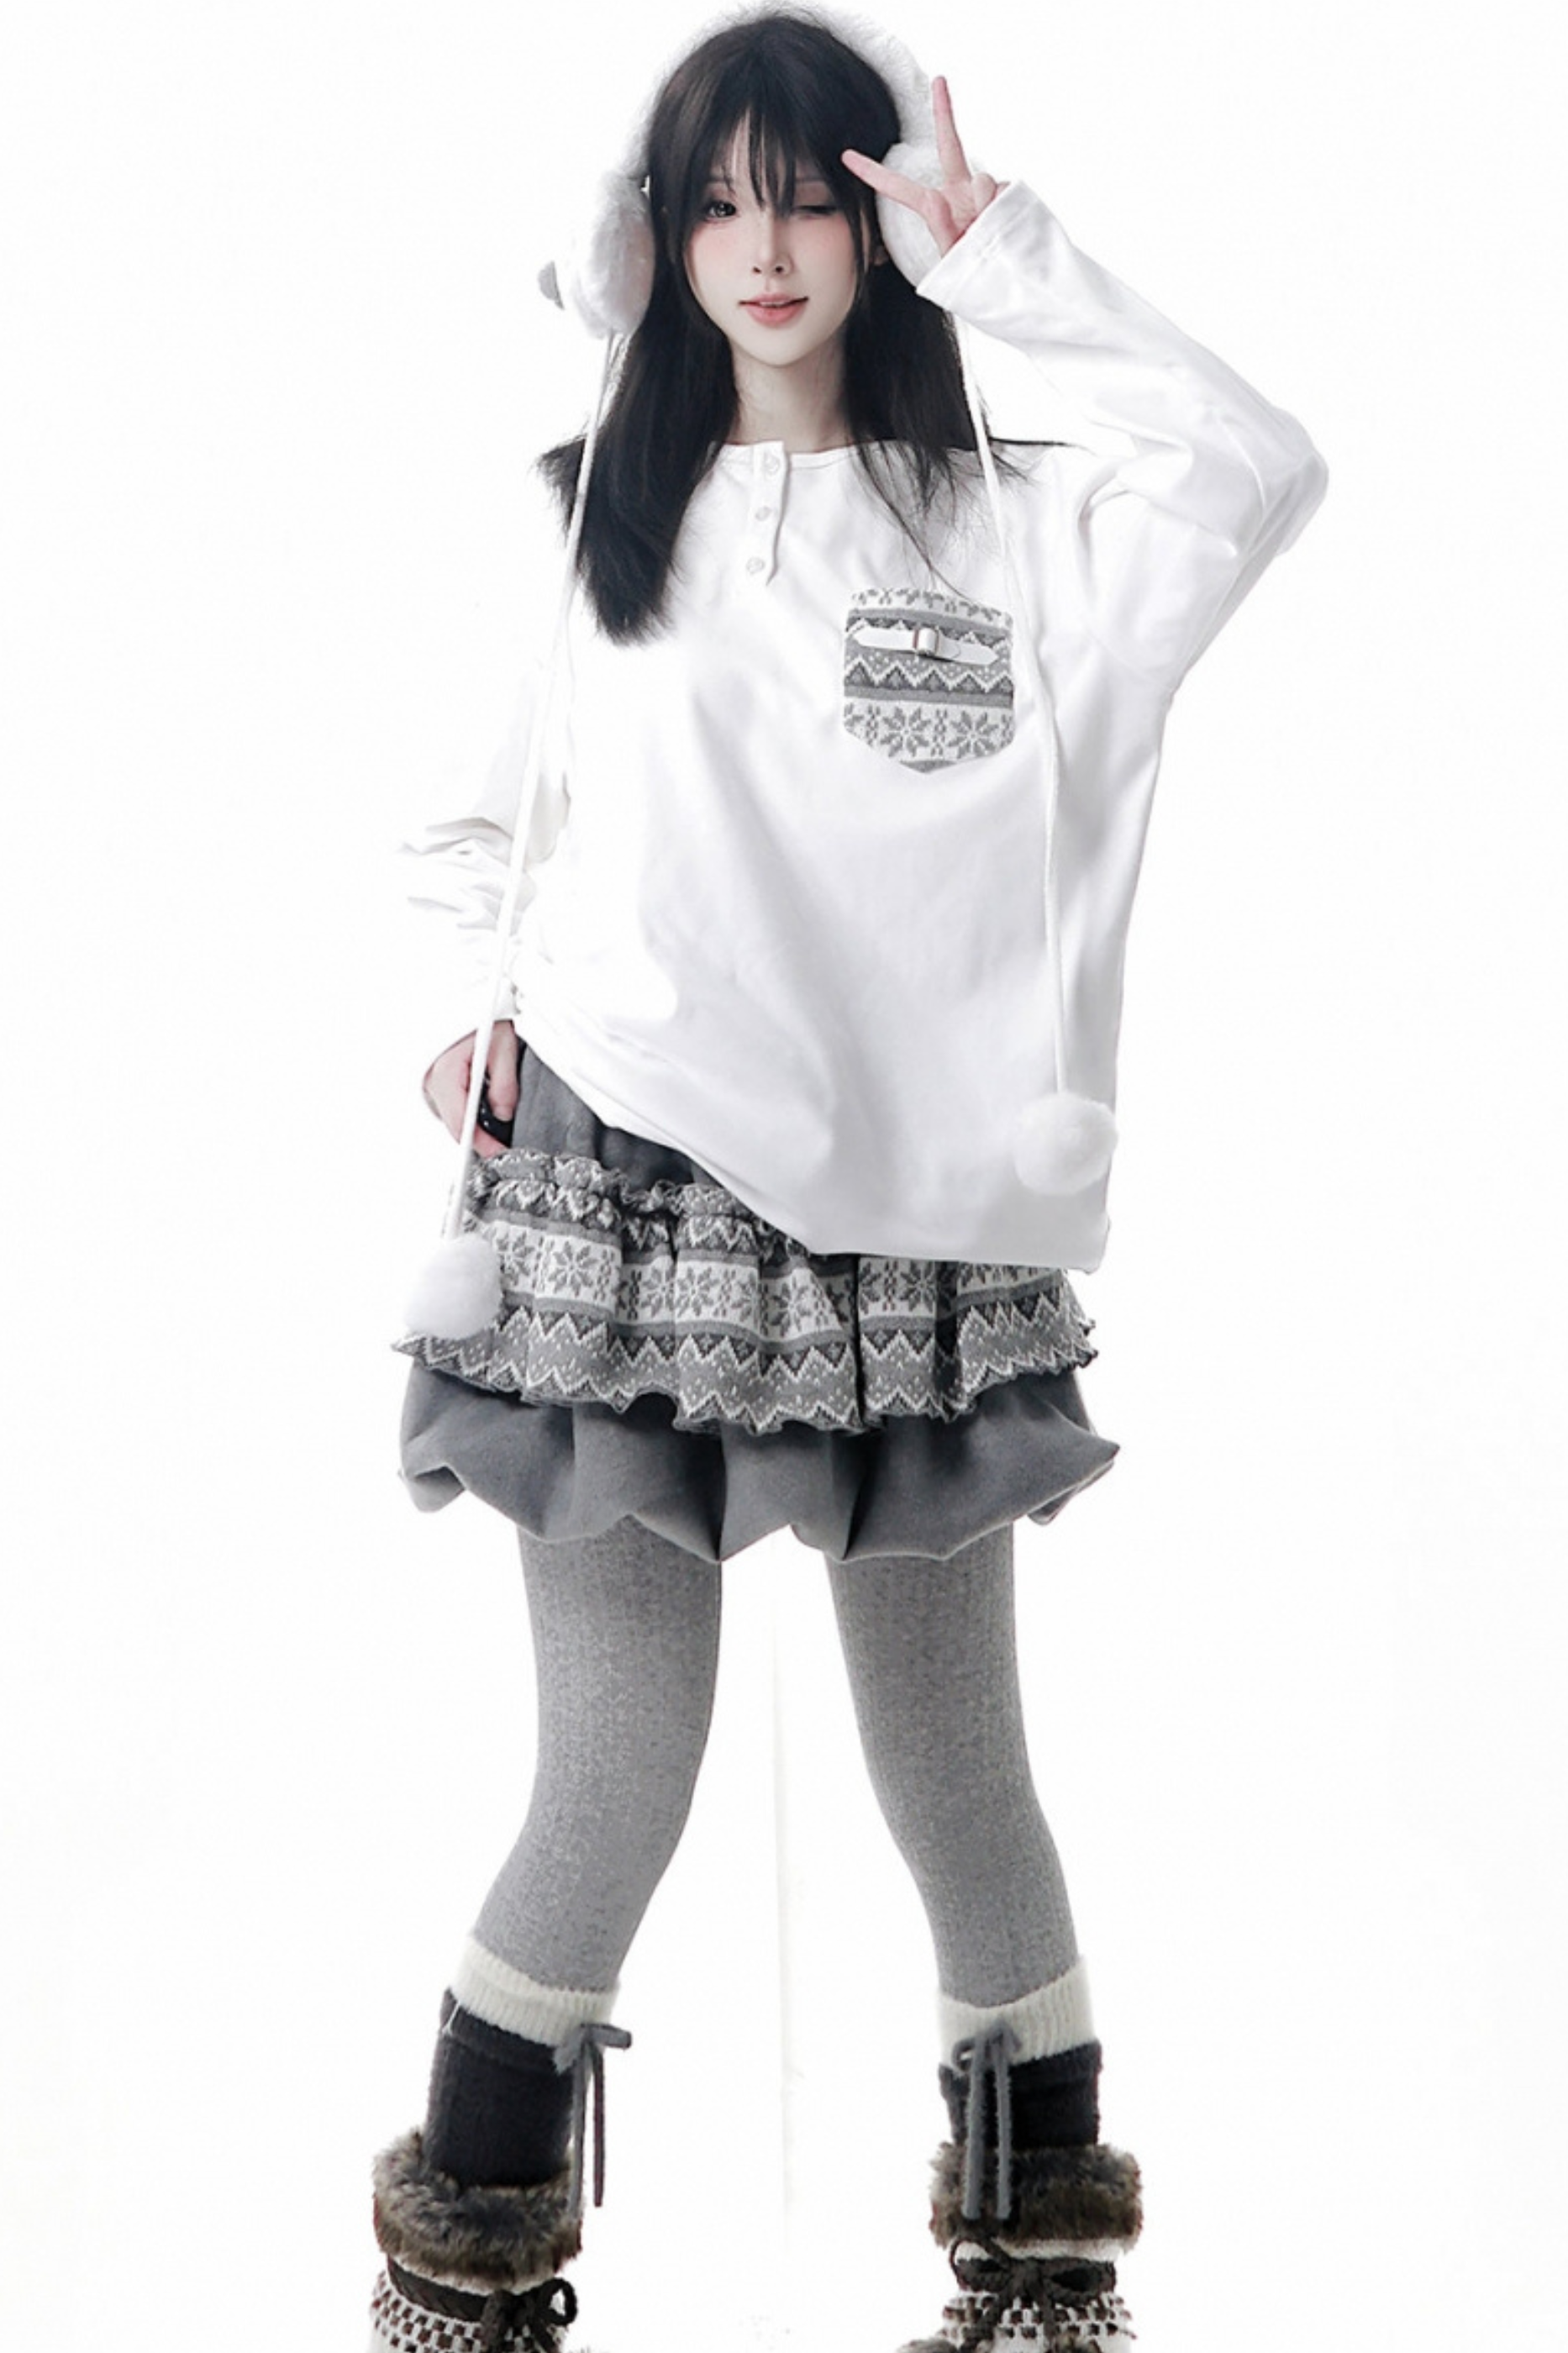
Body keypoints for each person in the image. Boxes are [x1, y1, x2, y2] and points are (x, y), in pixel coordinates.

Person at [368, 7, 1328, 2349]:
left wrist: (1011, 258)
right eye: (718, 200)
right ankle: (462, 2287)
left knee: (958, 1770)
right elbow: (467, 825)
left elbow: (1258, 466)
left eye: (812, 193)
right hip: (621, 1199)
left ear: (878, 223)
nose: (768, 245)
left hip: (913, 1231)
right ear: (658, 235)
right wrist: (454, 1010)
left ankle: (1040, 2285)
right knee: (614, 1773)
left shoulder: (1022, 528)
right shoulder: (587, 513)